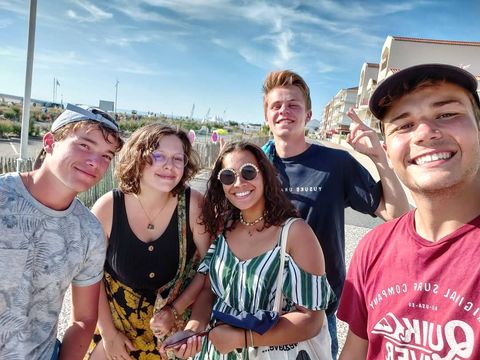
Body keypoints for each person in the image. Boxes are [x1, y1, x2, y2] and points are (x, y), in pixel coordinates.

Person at [261, 70, 410, 358]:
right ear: (266, 116)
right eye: (275, 106)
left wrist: (380, 157)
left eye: (293, 104)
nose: (284, 111)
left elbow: (396, 214)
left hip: (316, 306)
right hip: (263, 303)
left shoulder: (335, 163)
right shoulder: (253, 168)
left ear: (308, 114)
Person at [337, 63, 480, 359]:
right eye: (404, 125)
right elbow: (355, 351)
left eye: (447, 114)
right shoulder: (373, 247)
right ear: (387, 149)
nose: (425, 133)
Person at [183, 141, 334, 359]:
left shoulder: (295, 233)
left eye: (248, 172)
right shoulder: (224, 227)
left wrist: (243, 338)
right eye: (228, 176)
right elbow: (208, 290)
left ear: (264, 174)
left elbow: (312, 320)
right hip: (218, 352)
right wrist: (193, 330)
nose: (238, 183)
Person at [0, 103, 123, 359]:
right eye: (84, 145)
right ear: (50, 142)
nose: (95, 162)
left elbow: (85, 319)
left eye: (106, 156)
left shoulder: (89, 232)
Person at [85, 124, 211, 360]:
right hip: (118, 335)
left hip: (172, 338)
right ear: (138, 158)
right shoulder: (108, 208)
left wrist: (176, 310)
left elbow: (209, 268)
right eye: (158, 156)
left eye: (178, 158)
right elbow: (88, 277)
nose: (169, 165)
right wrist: (109, 334)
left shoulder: (193, 205)